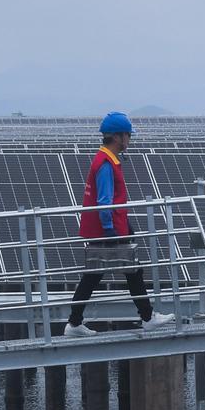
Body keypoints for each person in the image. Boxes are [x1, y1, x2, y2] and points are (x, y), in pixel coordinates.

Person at [64, 111, 170, 336]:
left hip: (113, 227)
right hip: (108, 229)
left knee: (101, 274)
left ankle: (74, 323)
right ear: (118, 137)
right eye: (128, 136)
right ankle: (147, 317)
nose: (129, 140)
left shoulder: (107, 159)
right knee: (125, 272)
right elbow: (104, 201)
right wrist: (112, 231)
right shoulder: (105, 163)